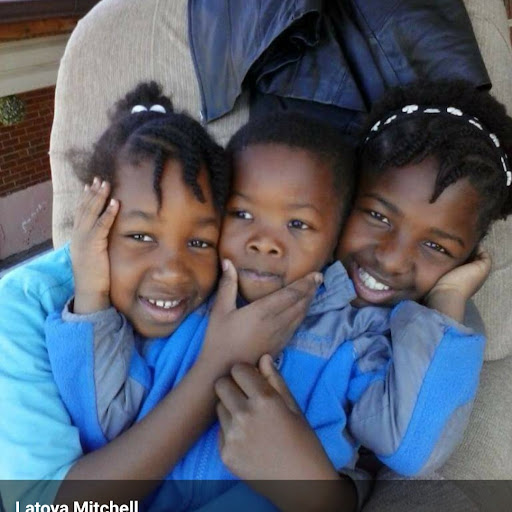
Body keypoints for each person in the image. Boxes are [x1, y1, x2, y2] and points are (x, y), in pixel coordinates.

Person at [46, 84, 497, 509]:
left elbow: (410, 449)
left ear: (334, 237)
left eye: (298, 224)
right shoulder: (182, 307)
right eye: (242, 214)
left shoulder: (355, 337)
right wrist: (92, 293)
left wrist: (446, 304)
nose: (264, 243)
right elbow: (102, 422)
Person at [0, 83, 322, 510]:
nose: (173, 271)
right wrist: (218, 366)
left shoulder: (226, 292)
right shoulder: (22, 305)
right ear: (92, 222)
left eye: (200, 242)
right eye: (140, 235)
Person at [205, 80, 512, 510]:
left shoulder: (373, 342)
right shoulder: (263, 261)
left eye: (436, 246)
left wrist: (447, 300)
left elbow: (409, 450)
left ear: (465, 258)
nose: (392, 259)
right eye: (377, 216)